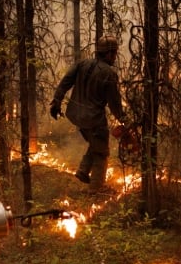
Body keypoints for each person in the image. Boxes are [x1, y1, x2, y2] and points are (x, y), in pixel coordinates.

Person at [49, 35, 128, 194]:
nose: (114, 57)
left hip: (76, 115)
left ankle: (83, 170)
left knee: (95, 142)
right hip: (94, 120)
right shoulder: (108, 74)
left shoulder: (82, 64)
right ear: (107, 54)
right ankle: (96, 190)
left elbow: (65, 82)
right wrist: (126, 120)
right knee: (102, 152)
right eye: (113, 54)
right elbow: (114, 104)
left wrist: (56, 101)